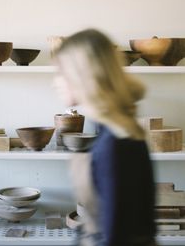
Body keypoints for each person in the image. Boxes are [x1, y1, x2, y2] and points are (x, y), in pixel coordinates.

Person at [53, 29, 156, 246]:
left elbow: (116, 237)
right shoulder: (118, 131)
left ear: (81, 75)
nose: (56, 81)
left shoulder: (115, 144)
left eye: (61, 72)